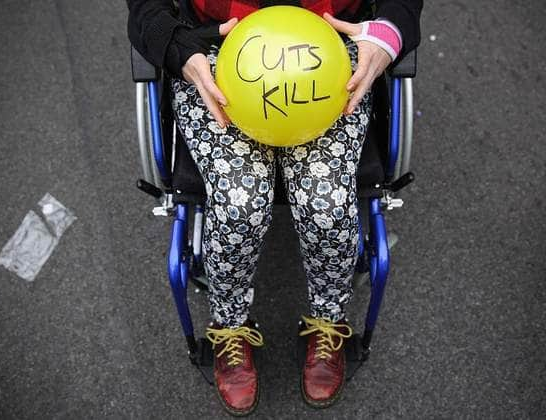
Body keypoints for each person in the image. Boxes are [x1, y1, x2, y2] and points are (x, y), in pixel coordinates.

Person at [127, 0, 422, 415]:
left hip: (330, 50)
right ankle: (230, 326)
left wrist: (391, 30)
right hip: (215, 50)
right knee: (238, 205)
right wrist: (176, 46)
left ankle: (327, 320)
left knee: (327, 203)